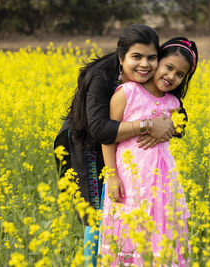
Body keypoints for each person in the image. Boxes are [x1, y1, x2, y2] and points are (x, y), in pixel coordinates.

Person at [54, 25, 188, 266]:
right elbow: (100, 131)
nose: (145, 65)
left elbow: (178, 116)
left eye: (152, 58)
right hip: (89, 145)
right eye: (136, 57)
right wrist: (149, 125)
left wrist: (167, 127)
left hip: (128, 151)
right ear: (121, 57)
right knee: (97, 214)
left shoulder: (155, 78)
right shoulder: (101, 77)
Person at [100, 37, 198, 266]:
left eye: (180, 74)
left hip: (163, 185)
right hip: (129, 182)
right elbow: (108, 136)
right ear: (157, 63)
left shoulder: (174, 104)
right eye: (169, 67)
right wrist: (111, 176)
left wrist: (170, 128)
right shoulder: (128, 93)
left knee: (162, 240)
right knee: (127, 240)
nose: (171, 76)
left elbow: (178, 128)